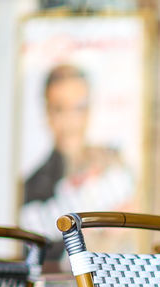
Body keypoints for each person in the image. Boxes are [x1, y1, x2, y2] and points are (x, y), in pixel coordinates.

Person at [20, 64, 135, 256]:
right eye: (59, 109)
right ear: (47, 113)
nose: (70, 119)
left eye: (79, 108)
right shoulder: (34, 187)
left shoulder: (114, 163)